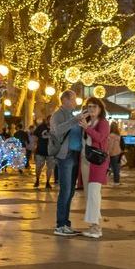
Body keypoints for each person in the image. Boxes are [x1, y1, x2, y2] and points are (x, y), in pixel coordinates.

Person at [49, 90, 82, 236]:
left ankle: (65, 223)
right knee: (65, 191)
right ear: (65, 100)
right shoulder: (58, 115)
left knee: (71, 192)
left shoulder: (71, 115)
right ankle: (60, 225)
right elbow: (57, 131)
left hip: (75, 155)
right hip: (65, 156)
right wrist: (74, 121)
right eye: (73, 99)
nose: (75, 102)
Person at [79, 97, 110, 238]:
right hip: (86, 161)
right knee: (89, 194)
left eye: (94, 106)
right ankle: (93, 226)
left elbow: (100, 138)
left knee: (94, 194)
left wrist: (87, 128)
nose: (91, 109)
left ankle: (96, 228)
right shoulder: (88, 121)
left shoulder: (103, 123)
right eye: (89, 106)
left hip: (97, 162)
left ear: (100, 109)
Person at [32, 117, 52, 188]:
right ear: (47, 120)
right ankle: (37, 180)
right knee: (38, 167)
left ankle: (48, 182)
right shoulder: (41, 127)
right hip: (40, 150)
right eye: (49, 119)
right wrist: (35, 145)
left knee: (50, 167)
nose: (50, 121)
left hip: (51, 151)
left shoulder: (55, 127)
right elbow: (35, 136)